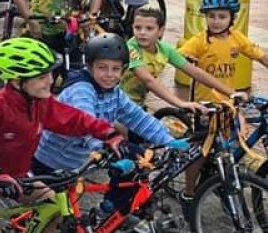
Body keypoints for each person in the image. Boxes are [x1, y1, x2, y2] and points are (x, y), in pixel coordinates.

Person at [0, 38, 124, 215]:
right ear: (17, 82)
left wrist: (108, 133)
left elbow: (73, 119)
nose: (50, 80)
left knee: (56, 208)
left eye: (50, 74)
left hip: (17, 177)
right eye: (42, 77)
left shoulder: (38, 102)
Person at [34, 33, 184, 221]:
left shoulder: (114, 92)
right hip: (50, 163)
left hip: (77, 162)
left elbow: (139, 119)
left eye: (115, 69)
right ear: (90, 67)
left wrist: (171, 141)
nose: (109, 74)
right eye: (102, 68)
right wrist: (107, 148)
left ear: (123, 71)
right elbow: (86, 124)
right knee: (55, 219)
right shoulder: (81, 90)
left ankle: (112, 209)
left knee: (135, 160)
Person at [179, 0, 268, 101]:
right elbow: (177, 56)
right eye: (211, 16)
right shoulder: (200, 41)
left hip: (230, 100)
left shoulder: (237, 38)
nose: (216, 21)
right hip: (204, 104)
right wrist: (185, 57)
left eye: (222, 17)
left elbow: (263, 58)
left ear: (232, 18)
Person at [119, 6, 230, 111]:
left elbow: (195, 72)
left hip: (137, 104)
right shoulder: (131, 48)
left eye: (149, 28)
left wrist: (230, 93)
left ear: (161, 31)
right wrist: (180, 103)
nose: (142, 32)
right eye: (138, 28)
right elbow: (148, 81)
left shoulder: (164, 49)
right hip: (118, 103)